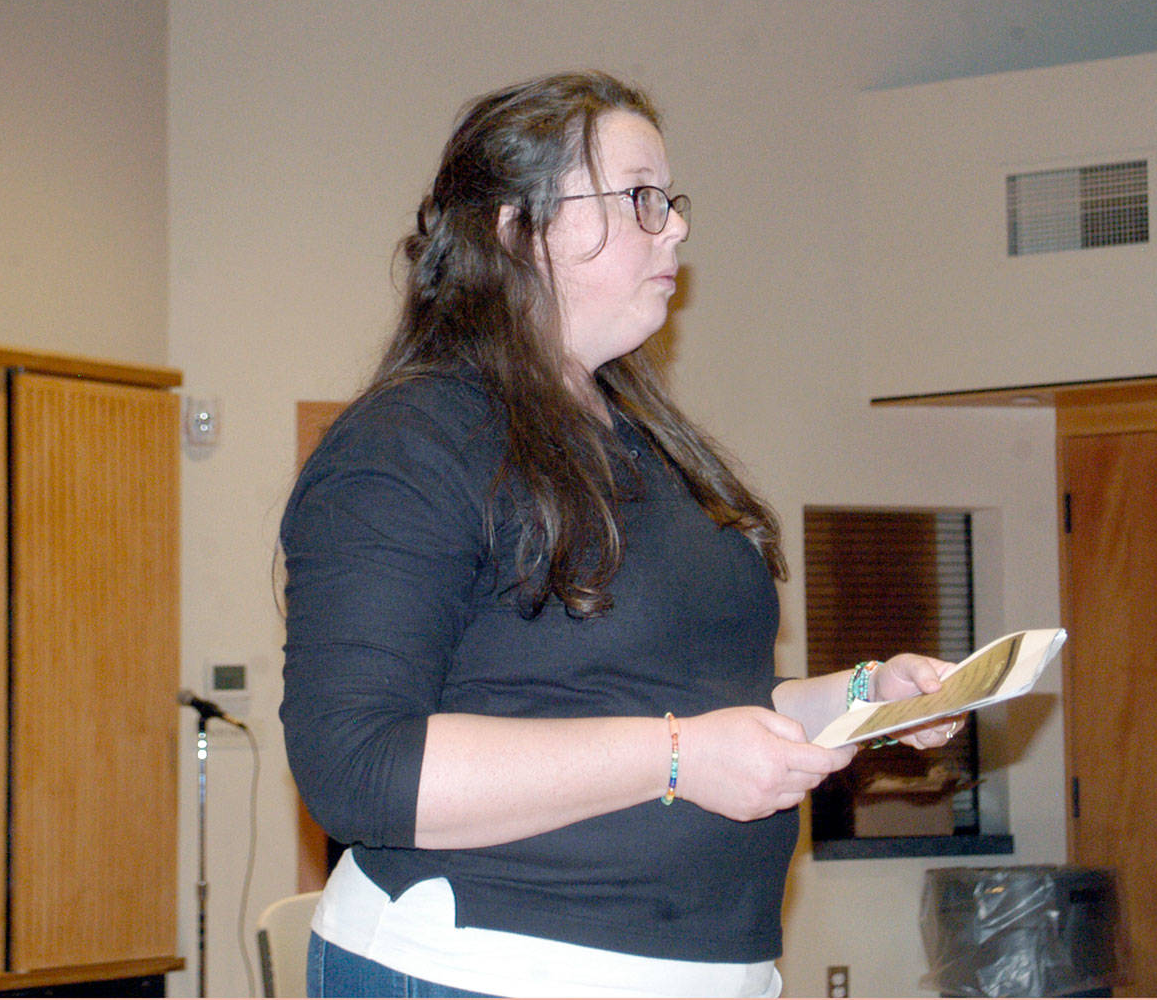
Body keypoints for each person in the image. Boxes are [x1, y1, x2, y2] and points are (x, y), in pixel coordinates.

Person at [279, 70, 963, 999]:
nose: (675, 225)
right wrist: (679, 757)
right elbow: (357, 767)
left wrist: (862, 698)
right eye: (639, 199)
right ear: (516, 231)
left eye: (669, 201)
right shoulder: (407, 444)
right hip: (479, 971)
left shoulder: (643, 441)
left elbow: (687, 700)